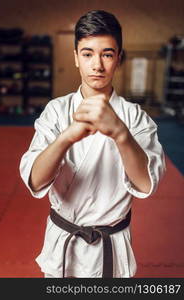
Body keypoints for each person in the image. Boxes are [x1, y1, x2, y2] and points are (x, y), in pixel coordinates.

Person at [19, 10, 166, 278]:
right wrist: (66, 137)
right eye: (87, 54)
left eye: (107, 54)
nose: (97, 65)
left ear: (118, 59)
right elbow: (35, 181)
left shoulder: (135, 118)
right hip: (63, 245)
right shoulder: (56, 111)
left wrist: (121, 133)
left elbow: (147, 184)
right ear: (76, 57)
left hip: (111, 249)